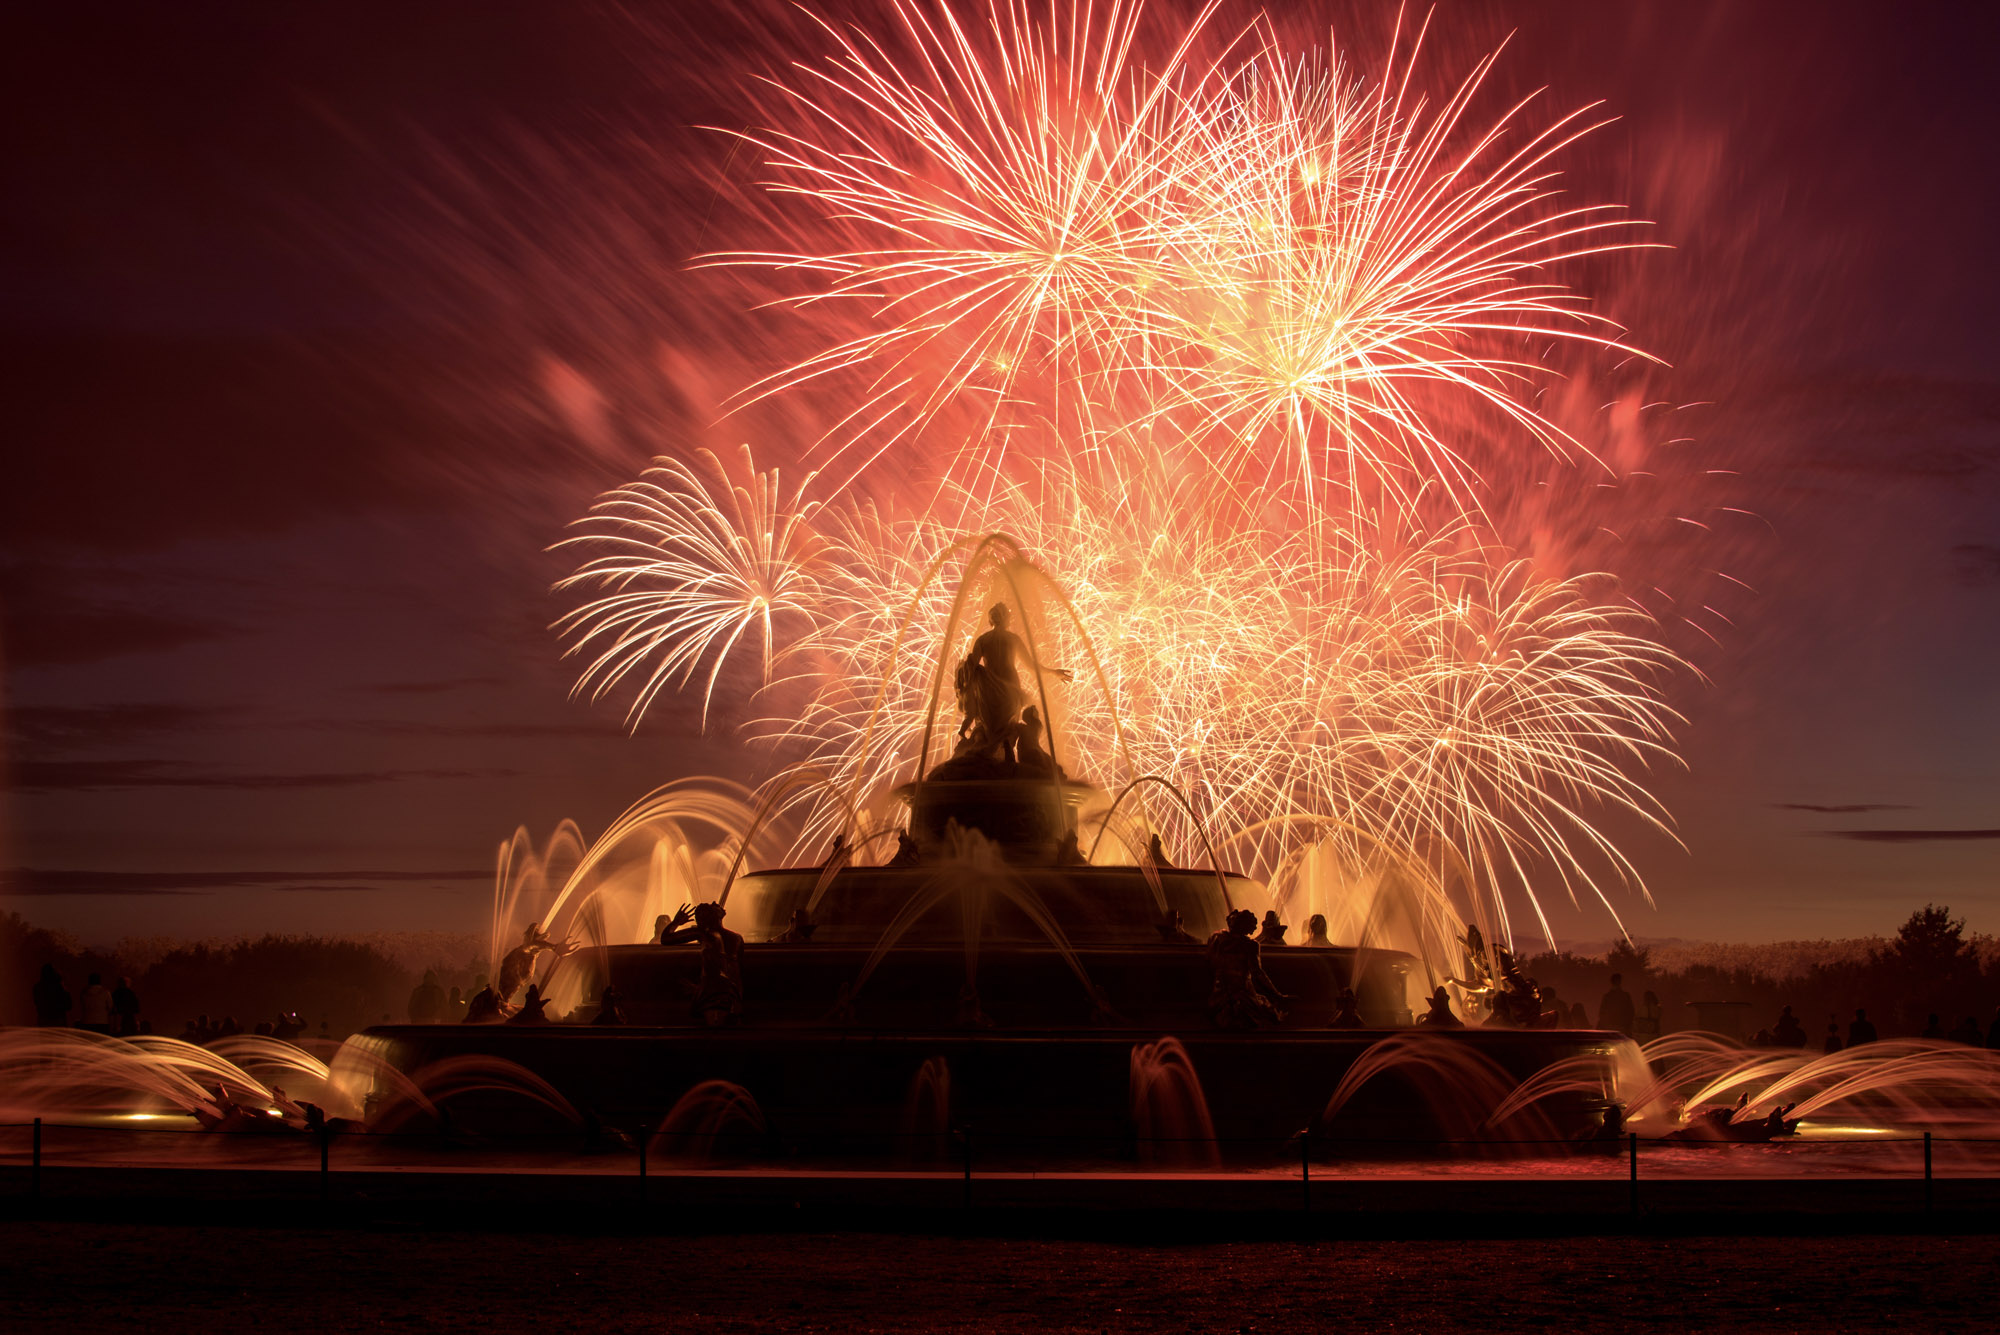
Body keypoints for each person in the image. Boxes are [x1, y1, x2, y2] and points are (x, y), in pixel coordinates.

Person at [959, 603, 1071, 760]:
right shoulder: (1013, 639)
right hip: (1011, 690)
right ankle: (1006, 762)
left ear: (991, 619)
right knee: (1008, 729)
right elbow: (1032, 666)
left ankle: (987, 760)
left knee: (988, 728)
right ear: (1005, 618)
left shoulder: (982, 640)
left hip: (988, 691)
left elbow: (971, 668)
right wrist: (1053, 672)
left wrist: (965, 690)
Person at [1207, 908, 1289, 1028]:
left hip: (1219, 994)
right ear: (1248, 927)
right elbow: (1258, 974)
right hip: (1243, 997)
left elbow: (1210, 960)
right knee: (1269, 1014)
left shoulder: (1217, 938)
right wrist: (1278, 995)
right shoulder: (1250, 946)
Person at [690, 902, 745, 1026]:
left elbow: (737, 971)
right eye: (712, 905)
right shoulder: (708, 935)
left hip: (718, 991)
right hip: (721, 991)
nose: (715, 902)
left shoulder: (734, 938)